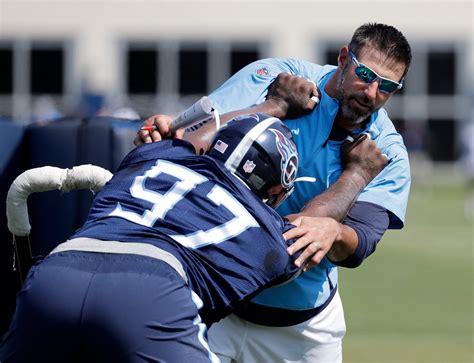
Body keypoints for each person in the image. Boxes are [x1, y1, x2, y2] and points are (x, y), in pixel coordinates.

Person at [136, 22, 412, 362]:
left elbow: (361, 242)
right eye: (366, 74)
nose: (371, 92)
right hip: (211, 303)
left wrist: (336, 230)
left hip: (303, 331)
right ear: (344, 58)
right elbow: (194, 142)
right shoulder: (279, 77)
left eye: (386, 86)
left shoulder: (387, 152)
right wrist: (276, 105)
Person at [0, 113, 342, 362]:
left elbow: (183, 138)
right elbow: (303, 243)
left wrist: (273, 103)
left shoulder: (156, 156)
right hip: (149, 292)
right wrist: (357, 173)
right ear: (276, 190)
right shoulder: (268, 236)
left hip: (56, 274)